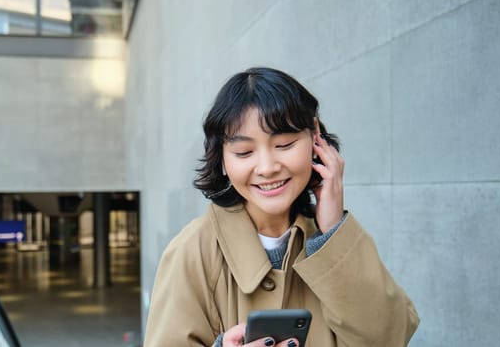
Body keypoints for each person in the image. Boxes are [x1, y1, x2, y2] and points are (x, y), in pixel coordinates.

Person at [144, 67, 419, 347]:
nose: (267, 168)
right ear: (222, 159)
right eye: (244, 152)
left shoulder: (333, 241)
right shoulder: (192, 251)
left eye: (284, 144)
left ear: (314, 137)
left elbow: (389, 338)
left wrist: (334, 233)